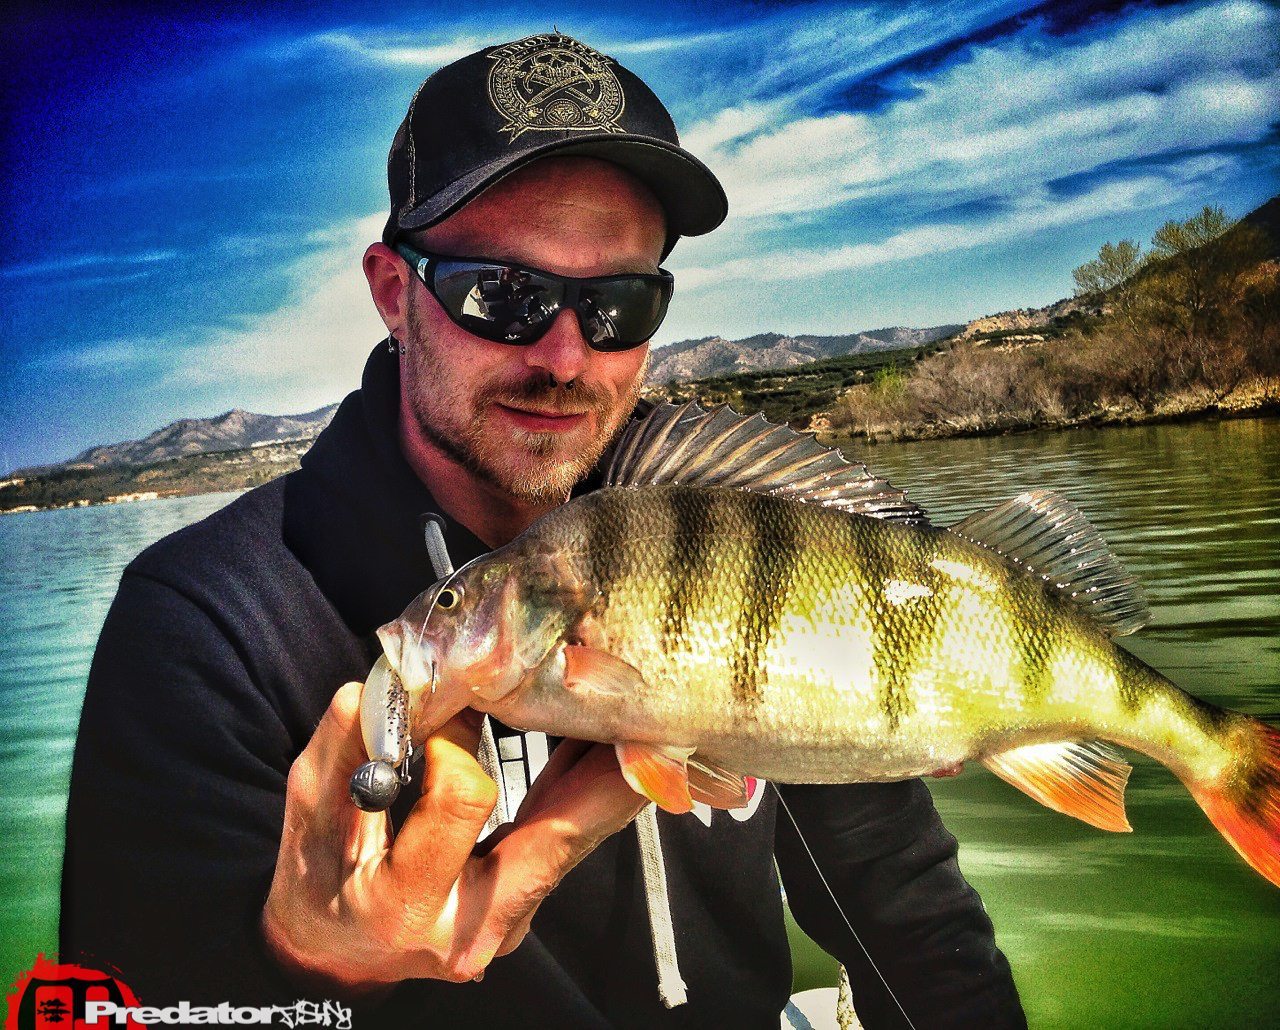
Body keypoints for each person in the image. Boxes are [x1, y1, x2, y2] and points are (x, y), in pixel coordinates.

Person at [61, 33, 1026, 1028]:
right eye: (501, 295)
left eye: (618, 304)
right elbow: (132, 1001)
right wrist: (305, 965)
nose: (565, 357)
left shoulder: (740, 530)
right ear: (394, 293)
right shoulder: (202, 626)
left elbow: (902, 904)